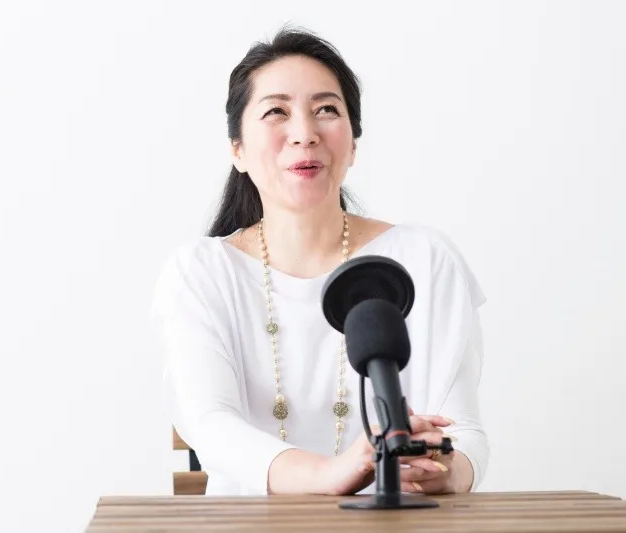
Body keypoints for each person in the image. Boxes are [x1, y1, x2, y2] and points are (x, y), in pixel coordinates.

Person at [150, 26, 488, 497]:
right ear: (237, 150)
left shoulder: (425, 260)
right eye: (276, 112)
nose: (305, 134)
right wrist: (330, 474)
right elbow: (211, 425)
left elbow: (465, 433)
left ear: (353, 143)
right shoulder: (201, 272)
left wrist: (446, 469)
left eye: (326, 110)